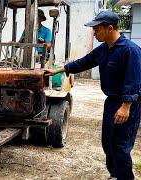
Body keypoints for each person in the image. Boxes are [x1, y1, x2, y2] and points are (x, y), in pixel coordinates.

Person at [45, 10, 141, 180]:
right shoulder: (105, 49)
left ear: (110, 28)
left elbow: (133, 81)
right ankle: (114, 174)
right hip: (111, 102)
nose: (94, 33)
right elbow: (84, 62)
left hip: (127, 105)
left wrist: (126, 106)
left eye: (97, 30)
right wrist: (57, 70)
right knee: (108, 142)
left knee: (120, 146)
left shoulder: (130, 51)